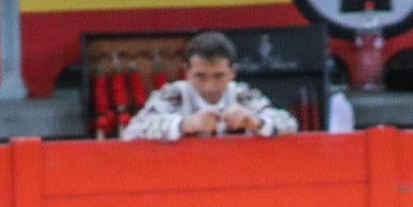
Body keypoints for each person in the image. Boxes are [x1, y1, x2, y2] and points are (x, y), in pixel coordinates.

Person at [121, 31, 298, 141]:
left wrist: (257, 121)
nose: (210, 86)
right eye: (200, 76)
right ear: (187, 72)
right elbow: (132, 132)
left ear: (232, 72)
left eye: (218, 76)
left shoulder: (242, 95)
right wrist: (184, 124)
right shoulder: (174, 95)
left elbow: (289, 123)